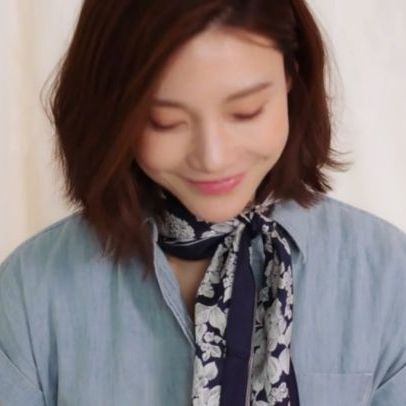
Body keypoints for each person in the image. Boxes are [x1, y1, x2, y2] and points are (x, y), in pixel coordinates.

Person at [0, 0, 405, 405]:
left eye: (246, 112)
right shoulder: (32, 292)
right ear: (113, 113)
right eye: (165, 121)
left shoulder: (387, 278)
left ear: (291, 75)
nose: (213, 157)